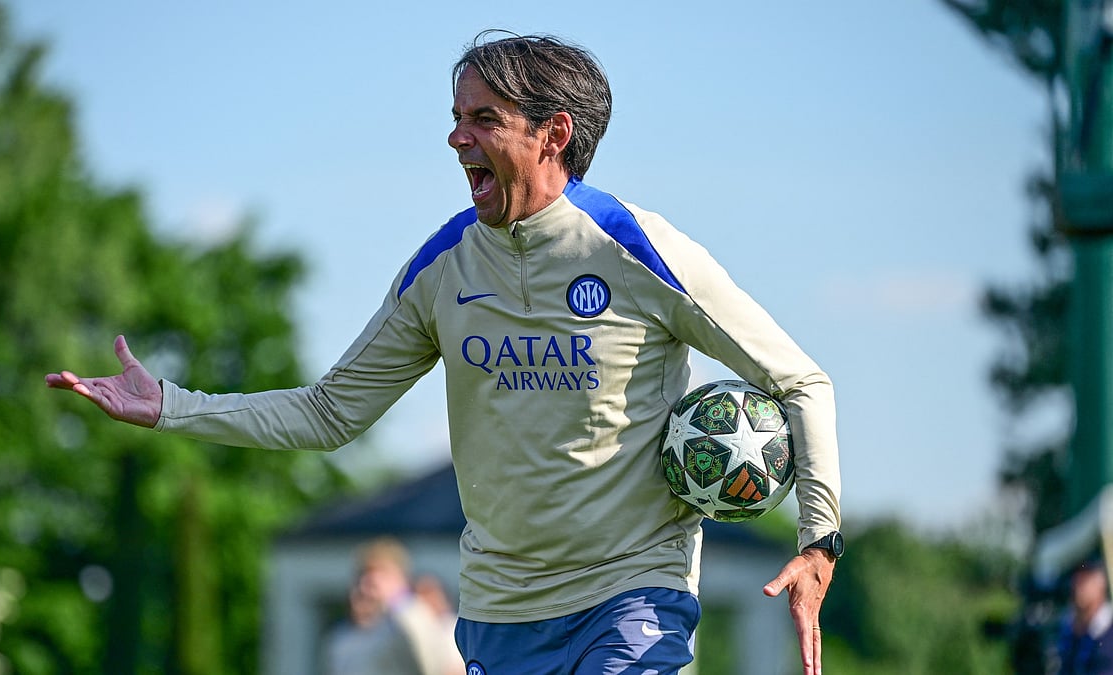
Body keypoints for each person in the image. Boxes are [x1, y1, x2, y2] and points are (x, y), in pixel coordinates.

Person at [46, 32, 842, 675]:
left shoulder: (642, 253)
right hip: (499, 611)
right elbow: (330, 412)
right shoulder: (443, 269)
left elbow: (800, 380)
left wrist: (818, 538)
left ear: (553, 134)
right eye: (457, 116)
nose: (456, 136)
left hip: (631, 591)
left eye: (484, 118)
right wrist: (172, 405)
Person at [325, 537, 464, 675]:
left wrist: (398, 599)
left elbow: (431, 663)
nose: (368, 586)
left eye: (382, 575)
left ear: (401, 579)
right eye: (364, 576)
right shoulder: (343, 639)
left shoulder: (443, 627)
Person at [1053, 558, 1113, 675]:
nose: (1078, 587)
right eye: (1076, 580)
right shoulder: (1068, 630)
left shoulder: (1109, 629)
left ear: (1101, 583)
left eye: (1084, 580)